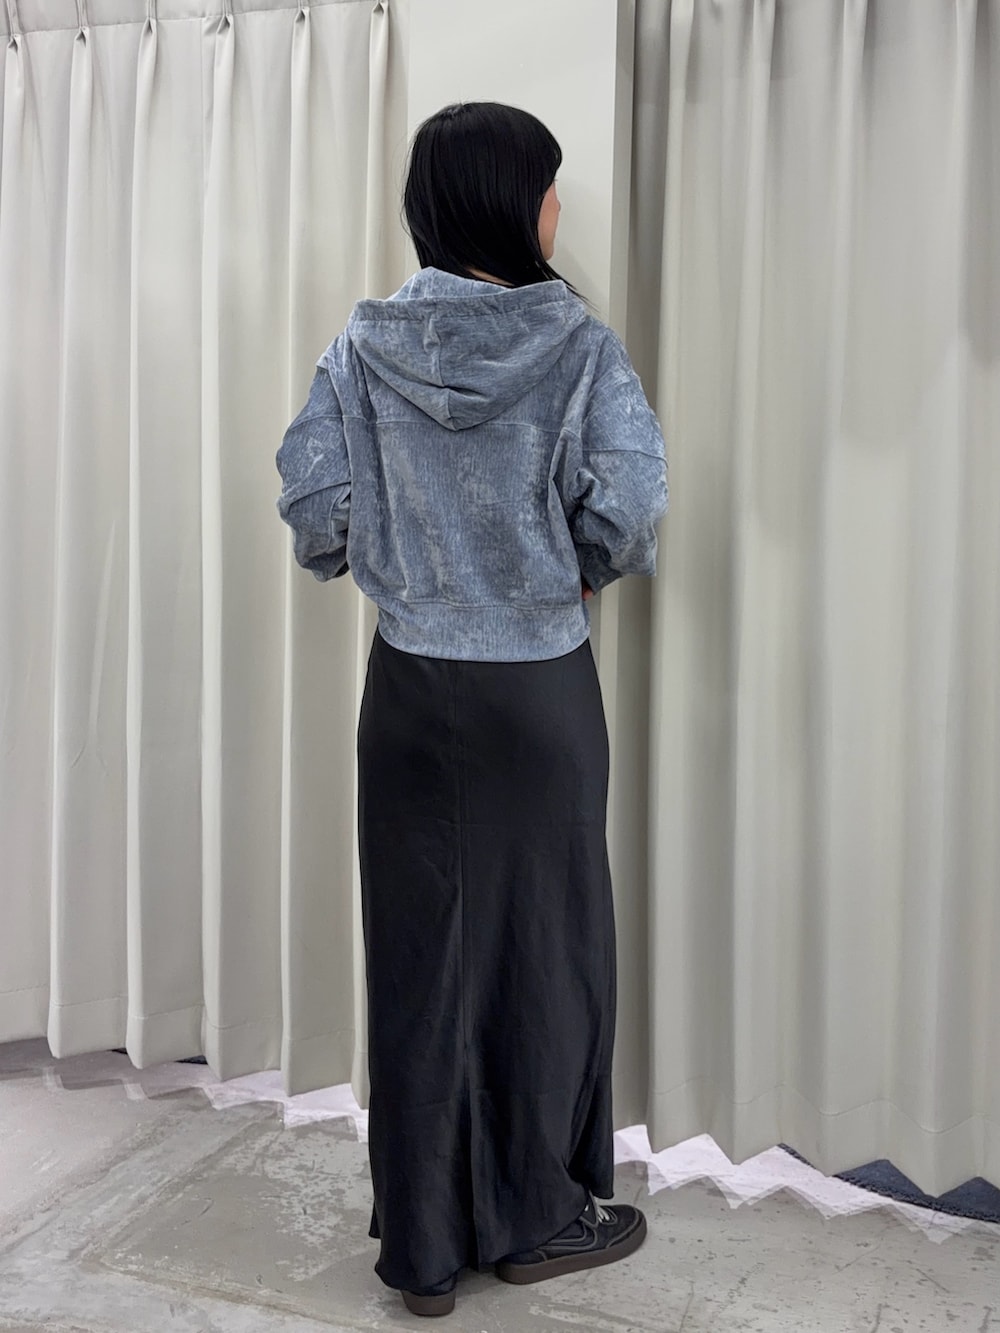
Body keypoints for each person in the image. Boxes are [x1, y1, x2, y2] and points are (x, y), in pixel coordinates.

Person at [276, 101, 668, 1319]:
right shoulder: (578, 345)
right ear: (510, 200)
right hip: (538, 693)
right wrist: (570, 569)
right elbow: (629, 511)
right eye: (549, 185)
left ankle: (425, 1249)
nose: (557, 207)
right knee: (545, 952)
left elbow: (314, 509)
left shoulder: (363, 344)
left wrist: (394, 558)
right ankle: (539, 1217)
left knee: (418, 961)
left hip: (407, 693)